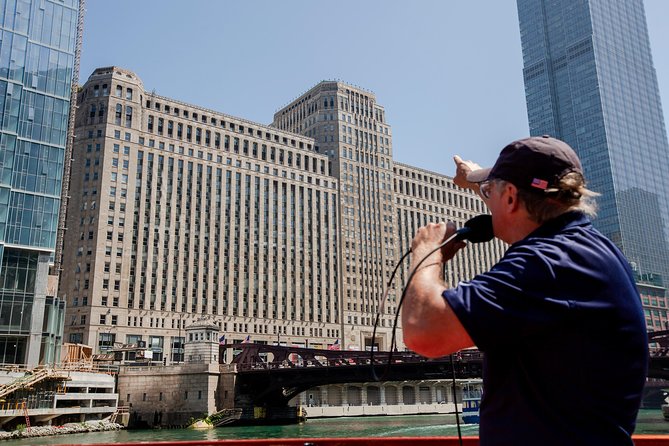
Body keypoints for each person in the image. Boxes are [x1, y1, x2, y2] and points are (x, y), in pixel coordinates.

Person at [401, 136, 648, 445]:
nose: (487, 201)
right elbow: (519, 193)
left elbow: (423, 331)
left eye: (491, 192)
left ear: (511, 199)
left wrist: (426, 252)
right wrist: (477, 179)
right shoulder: (585, 249)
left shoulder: (544, 263)